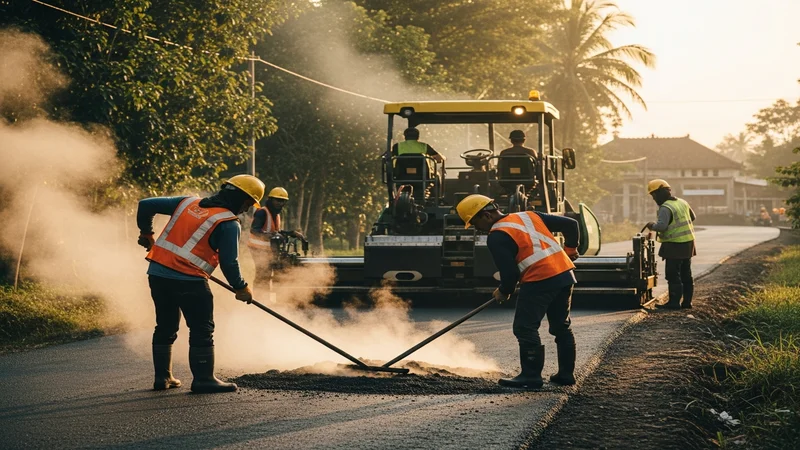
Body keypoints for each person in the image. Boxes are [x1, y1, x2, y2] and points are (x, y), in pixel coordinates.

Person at [136, 174, 265, 393]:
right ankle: (203, 379)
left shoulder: (187, 202)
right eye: (249, 204)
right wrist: (241, 287)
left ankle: (163, 377)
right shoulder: (227, 222)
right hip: (189, 280)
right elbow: (229, 262)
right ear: (242, 200)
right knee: (201, 329)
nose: (247, 209)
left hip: (157, 274)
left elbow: (145, 205)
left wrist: (146, 233)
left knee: (165, 325)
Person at [457, 194, 580, 389]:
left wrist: (504, 291)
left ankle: (531, 377)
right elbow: (571, 225)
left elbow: (509, 273)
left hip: (539, 280)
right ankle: (566, 375)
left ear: (487, 215)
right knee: (561, 327)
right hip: (564, 275)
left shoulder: (497, 236)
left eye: (474, 222)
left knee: (525, 328)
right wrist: (571, 249)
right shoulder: (529, 215)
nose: (476, 228)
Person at [644, 179, 697, 310]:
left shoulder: (665, 207)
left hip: (674, 245)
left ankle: (674, 303)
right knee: (686, 274)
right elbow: (693, 217)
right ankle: (687, 303)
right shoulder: (682, 202)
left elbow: (661, 227)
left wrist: (651, 225)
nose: (654, 199)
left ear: (659, 193)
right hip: (688, 243)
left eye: (654, 195)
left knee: (673, 274)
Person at [248, 187, 304, 285]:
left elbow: (276, 232)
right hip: (258, 249)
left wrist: (291, 233)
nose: (280, 203)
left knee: (270, 274)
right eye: (277, 200)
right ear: (270, 200)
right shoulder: (262, 212)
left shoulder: (276, 215)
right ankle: (259, 298)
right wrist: (269, 235)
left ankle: (265, 298)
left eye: (283, 201)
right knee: (263, 274)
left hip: (269, 250)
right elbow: (254, 230)